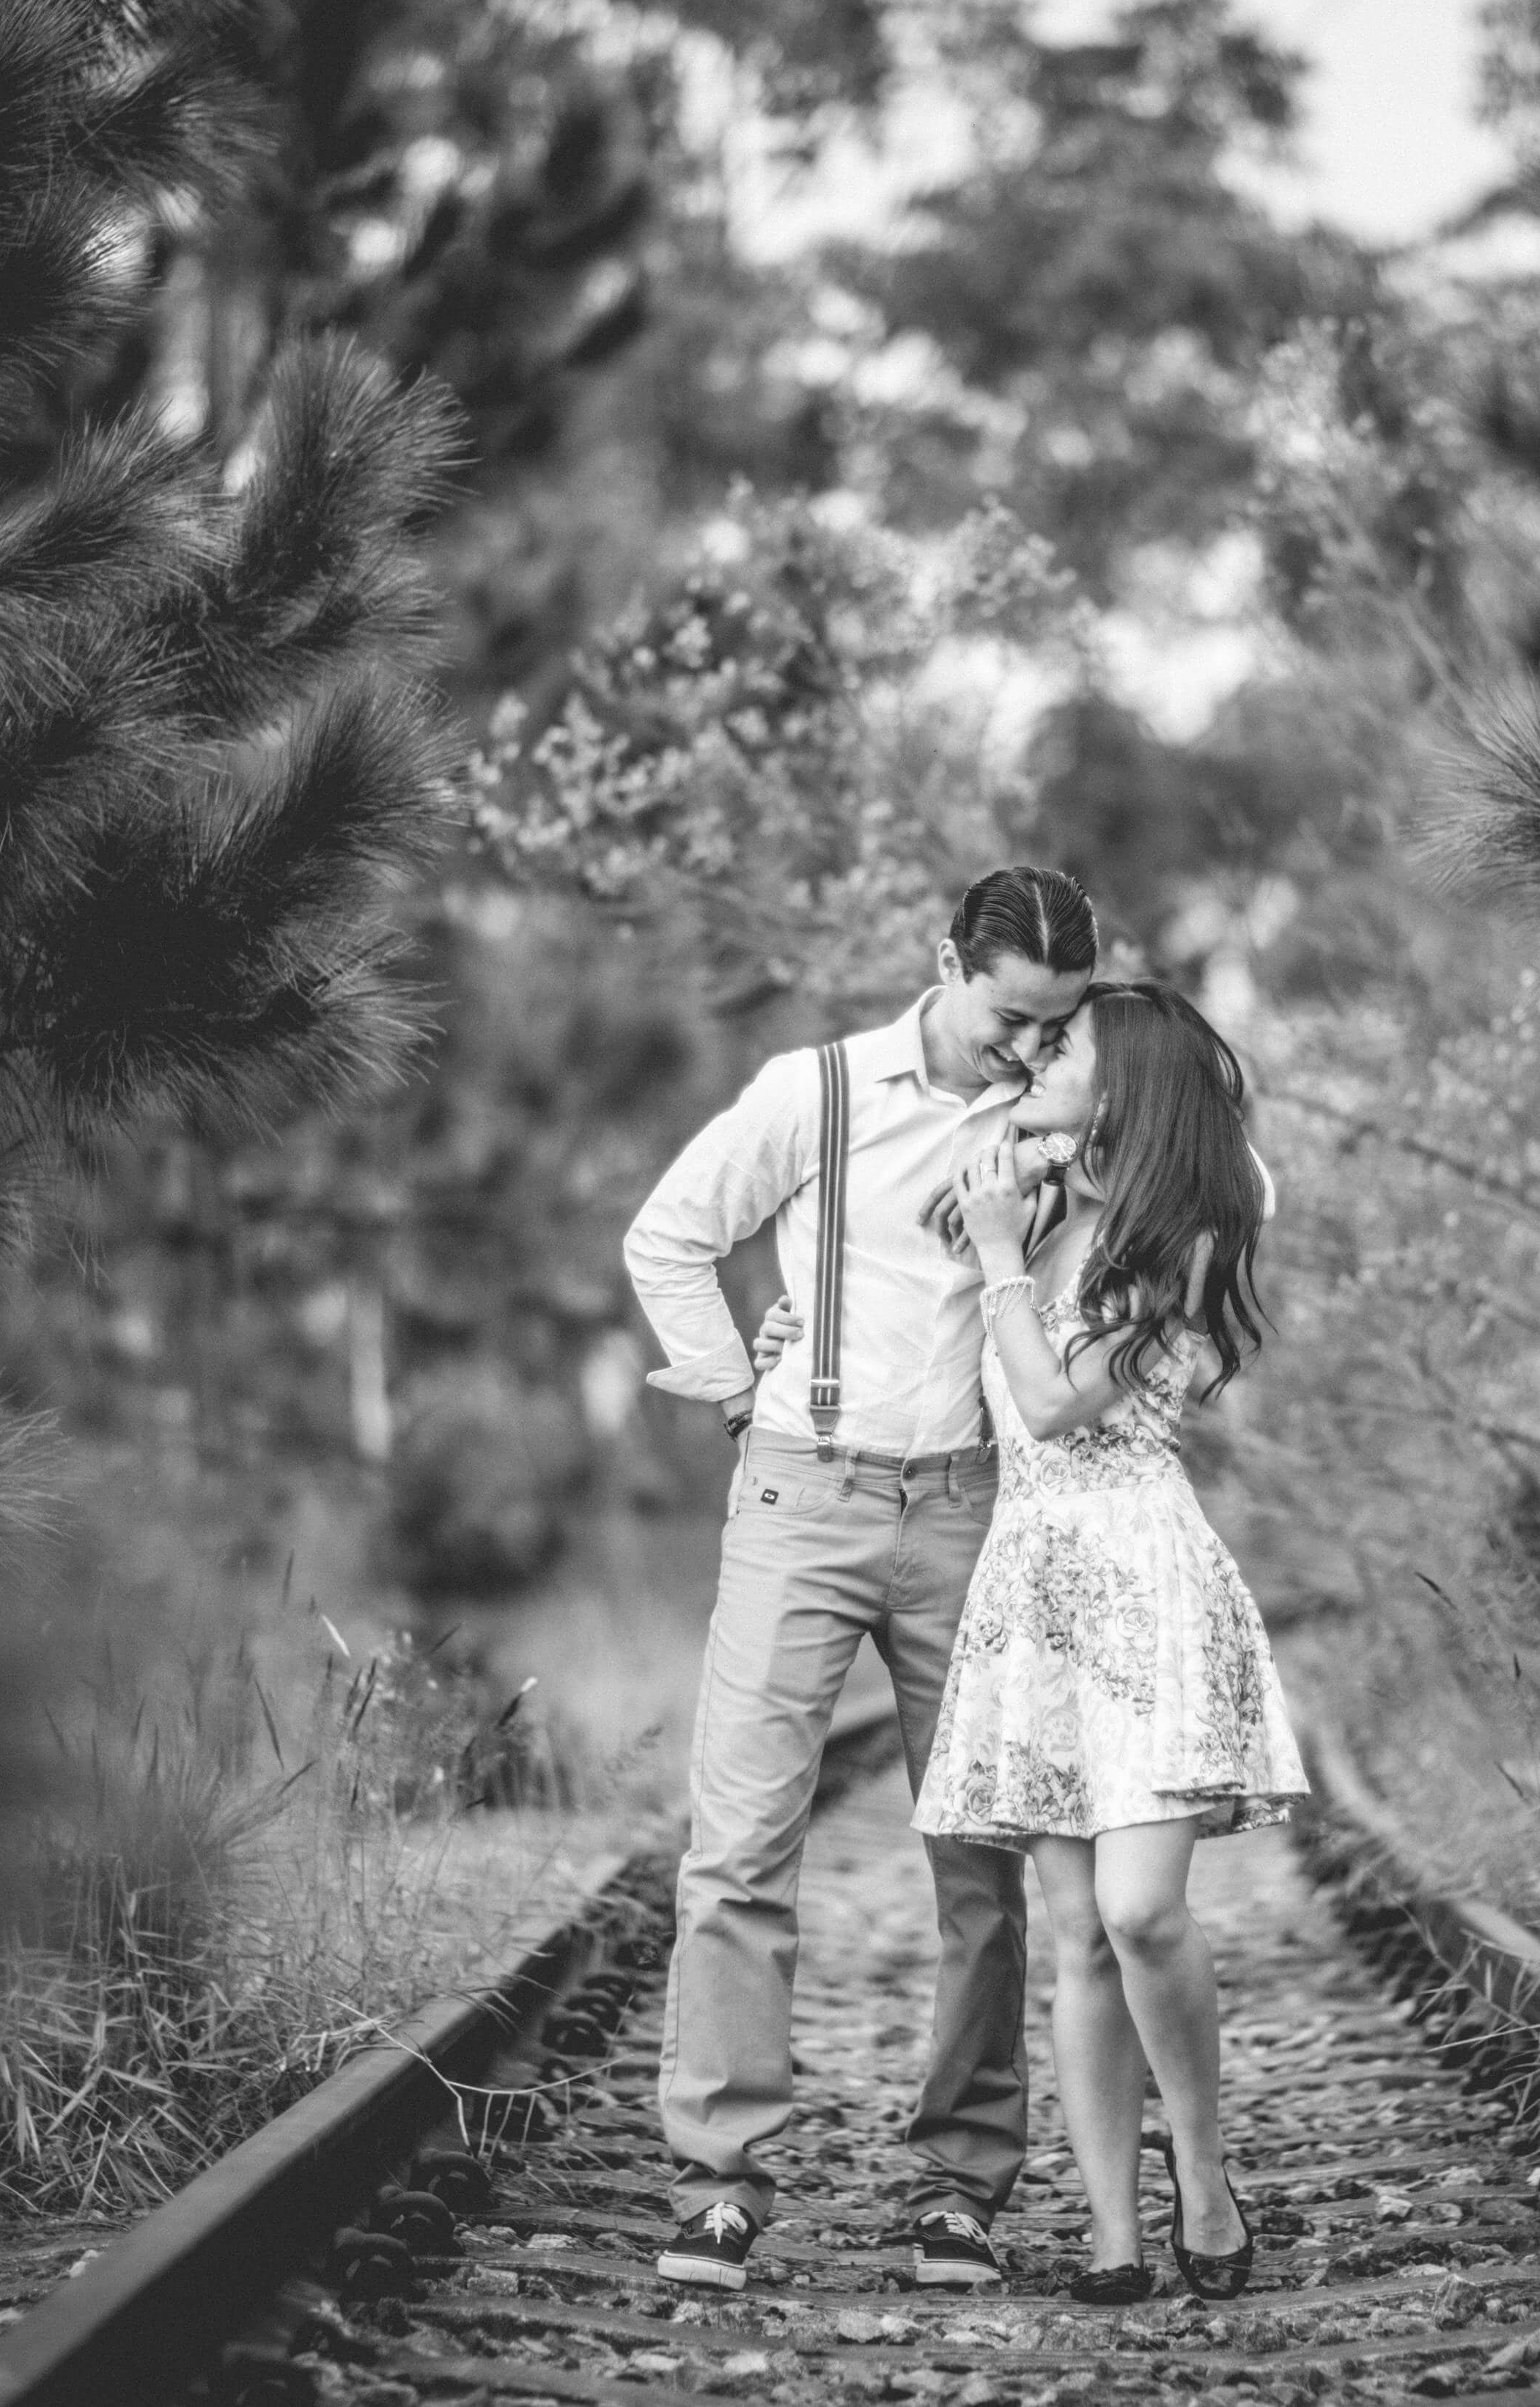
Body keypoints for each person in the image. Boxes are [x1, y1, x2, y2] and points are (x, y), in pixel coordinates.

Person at [619, 867, 1101, 2295]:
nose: (1031, 1047)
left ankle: (962, 2186)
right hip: (798, 1497)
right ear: (947, 961)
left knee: (981, 1865)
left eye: (1058, 1024)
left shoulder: (1063, 1117)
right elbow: (670, 1236)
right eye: (1016, 1016)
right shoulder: (813, 1092)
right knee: (739, 1844)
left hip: (969, 1510)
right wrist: (723, 1388)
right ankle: (717, 2180)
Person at [910, 980, 1309, 2305]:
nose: (1034, 1055)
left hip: (1142, 1575)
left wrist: (1006, 1249)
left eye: (1064, 1044)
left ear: (1125, 1082)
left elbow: (1049, 1394)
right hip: (1032, 1583)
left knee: (1142, 1912)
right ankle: (1112, 2230)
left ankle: (1202, 2172)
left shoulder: (1184, 1235)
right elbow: (916, 1301)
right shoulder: (1028, 1205)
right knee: (1076, 1930)